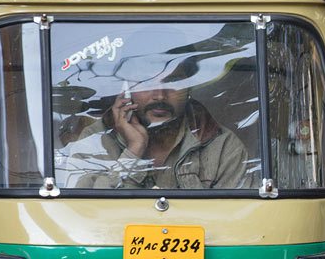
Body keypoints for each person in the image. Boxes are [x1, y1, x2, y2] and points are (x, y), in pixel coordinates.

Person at [69, 58, 253, 189]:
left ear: (189, 88)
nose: (159, 95)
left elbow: (236, 222)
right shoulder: (95, 139)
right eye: (146, 81)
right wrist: (134, 151)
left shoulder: (222, 144)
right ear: (126, 88)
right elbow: (84, 216)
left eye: (172, 81)